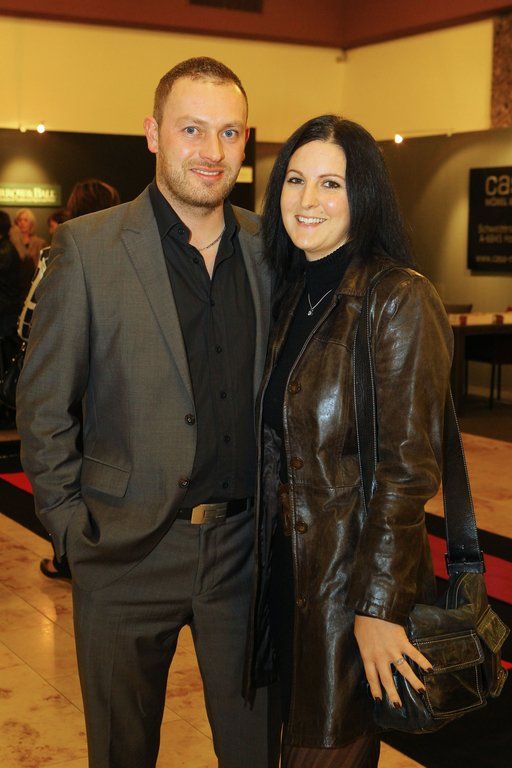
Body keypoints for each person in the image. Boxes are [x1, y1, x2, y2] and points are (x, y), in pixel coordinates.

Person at [17, 57, 276, 768]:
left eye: (229, 132)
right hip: (125, 554)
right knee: (122, 752)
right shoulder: (89, 249)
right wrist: (72, 531)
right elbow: (43, 407)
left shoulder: (268, 249)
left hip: (245, 556)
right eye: (192, 129)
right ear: (153, 133)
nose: (212, 150)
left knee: (256, 752)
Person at [244, 115, 453, 767]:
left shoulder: (398, 298)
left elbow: (407, 473)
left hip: (349, 589)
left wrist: (378, 607)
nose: (307, 200)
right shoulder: (291, 294)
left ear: (363, 195)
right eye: (295, 180)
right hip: (289, 580)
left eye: (330, 183)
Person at [33, 182, 120, 581]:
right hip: (94, 394)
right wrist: (67, 524)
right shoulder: (78, 247)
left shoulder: (66, 247)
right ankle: (67, 550)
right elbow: (43, 404)